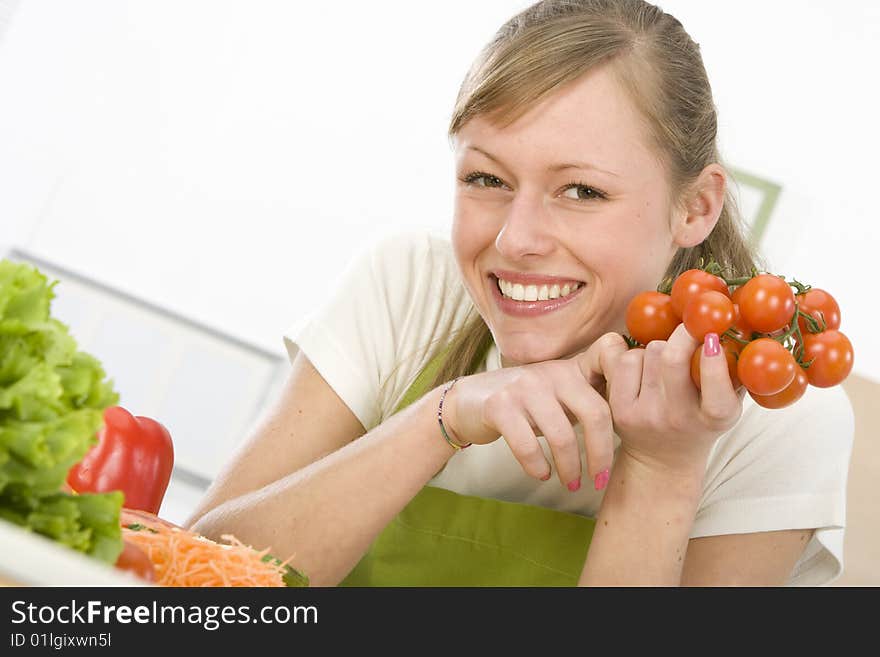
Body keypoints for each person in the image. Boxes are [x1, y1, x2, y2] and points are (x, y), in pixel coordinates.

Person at [186, 0, 854, 586]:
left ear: (696, 206)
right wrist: (441, 417)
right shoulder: (410, 288)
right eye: (486, 178)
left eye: (582, 190)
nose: (516, 239)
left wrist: (661, 467)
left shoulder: (777, 418)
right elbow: (187, 588)